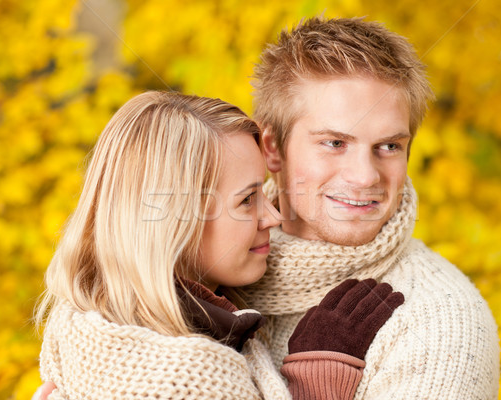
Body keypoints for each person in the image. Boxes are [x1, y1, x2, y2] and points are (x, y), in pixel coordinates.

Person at [34, 91, 404, 399]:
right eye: (246, 200)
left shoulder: (83, 321)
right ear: (174, 221)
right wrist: (317, 377)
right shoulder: (182, 379)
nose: (272, 218)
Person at [241, 16, 501, 399]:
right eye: (334, 143)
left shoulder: (438, 319)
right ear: (273, 148)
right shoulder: (213, 272)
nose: (365, 177)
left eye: (389, 146)